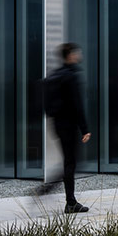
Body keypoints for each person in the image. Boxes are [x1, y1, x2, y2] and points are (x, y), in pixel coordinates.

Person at [36, 42, 91, 213]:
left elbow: (46, 103)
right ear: (70, 55)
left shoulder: (55, 75)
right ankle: (69, 202)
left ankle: (60, 196)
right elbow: (77, 104)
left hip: (58, 125)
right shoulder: (71, 76)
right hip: (69, 125)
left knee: (69, 162)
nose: (79, 55)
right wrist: (85, 128)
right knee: (71, 163)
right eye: (77, 52)